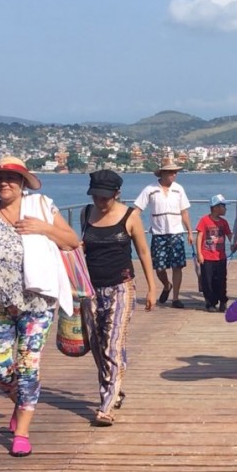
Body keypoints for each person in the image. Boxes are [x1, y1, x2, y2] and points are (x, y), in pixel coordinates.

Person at [0, 156, 79, 456]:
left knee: (28, 367)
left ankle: (23, 430)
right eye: (0, 177)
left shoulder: (41, 207)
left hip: (36, 303)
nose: (5, 182)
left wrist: (44, 228)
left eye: (12, 178)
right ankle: (22, 400)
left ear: (24, 182)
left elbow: (72, 241)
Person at [81, 170, 156, 427]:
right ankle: (116, 386)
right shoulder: (84, 214)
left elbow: (144, 253)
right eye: (96, 197)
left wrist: (151, 288)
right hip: (90, 289)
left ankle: (106, 404)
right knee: (98, 344)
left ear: (117, 194)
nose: (100, 203)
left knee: (113, 344)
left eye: (105, 198)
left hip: (121, 287)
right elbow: (78, 250)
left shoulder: (130, 216)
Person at [133, 157, 193, 309]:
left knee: (177, 266)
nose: (174, 175)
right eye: (171, 172)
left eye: (175, 172)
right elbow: (137, 210)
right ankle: (167, 285)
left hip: (176, 232)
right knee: (159, 267)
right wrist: (130, 225)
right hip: (158, 233)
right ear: (163, 173)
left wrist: (190, 232)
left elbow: (184, 211)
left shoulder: (179, 189)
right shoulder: (150, 189)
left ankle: (176, 298)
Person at [195, 194, 235, 312]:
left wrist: (235, 243)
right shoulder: (204, 220)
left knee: (221, 280)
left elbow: (229, 235)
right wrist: (199, 253)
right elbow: (200, 236)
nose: (225, 209)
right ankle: (210, 302)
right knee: (207, 280)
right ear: (215, 207)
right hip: (207, 256)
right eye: (223, 206)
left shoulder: (224, 222)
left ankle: (222, 300)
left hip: (220, 257)